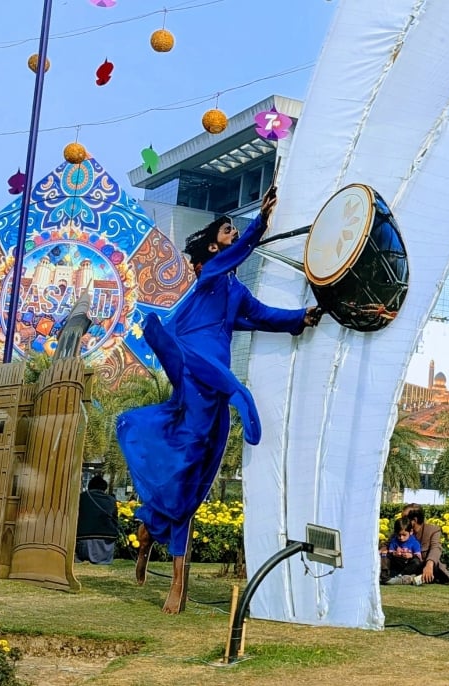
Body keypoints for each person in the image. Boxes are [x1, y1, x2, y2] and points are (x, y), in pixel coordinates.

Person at [116, 186, 322, 613]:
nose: (236, 233)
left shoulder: (234, 293)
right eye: (230, 230)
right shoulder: (209, 277)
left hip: (211, 401)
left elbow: (262, 316)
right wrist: (261, 224)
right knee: (178, 477)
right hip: (195, 369)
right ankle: (171, 577)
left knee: (189, 489)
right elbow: (232, 258)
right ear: (214, 247)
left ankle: (157, 554)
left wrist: (300, 319)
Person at [401, 504, 449, 585]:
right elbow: (388, 542)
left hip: (423, 565)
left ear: (414, 520)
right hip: (405, 565)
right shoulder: (402, 528)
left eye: (404, 518)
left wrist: (429, 565)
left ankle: (419, 577)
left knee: (430, 566)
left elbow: (436, 548)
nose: (401, 520)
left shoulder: (433, 530)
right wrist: (384, 548)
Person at [75, 475, 119, 564]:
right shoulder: (111, 500)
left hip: (84, 539)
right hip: (107, 541)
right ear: (104, 488)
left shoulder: (81, 498)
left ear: (89, 486)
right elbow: (115, 520)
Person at [382, 516, 425, 585]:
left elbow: (419, 557)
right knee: (385, 555)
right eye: (399, 535)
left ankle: (401, 577)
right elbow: (390, 552)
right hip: (397, 564)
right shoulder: (394, 541)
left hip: (407, 566)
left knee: (416, 561)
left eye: (404, 535)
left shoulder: (414, 542)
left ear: (411, 532)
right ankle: (385, 575)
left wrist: (411, 555)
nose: (401, 538)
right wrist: (394, 553)